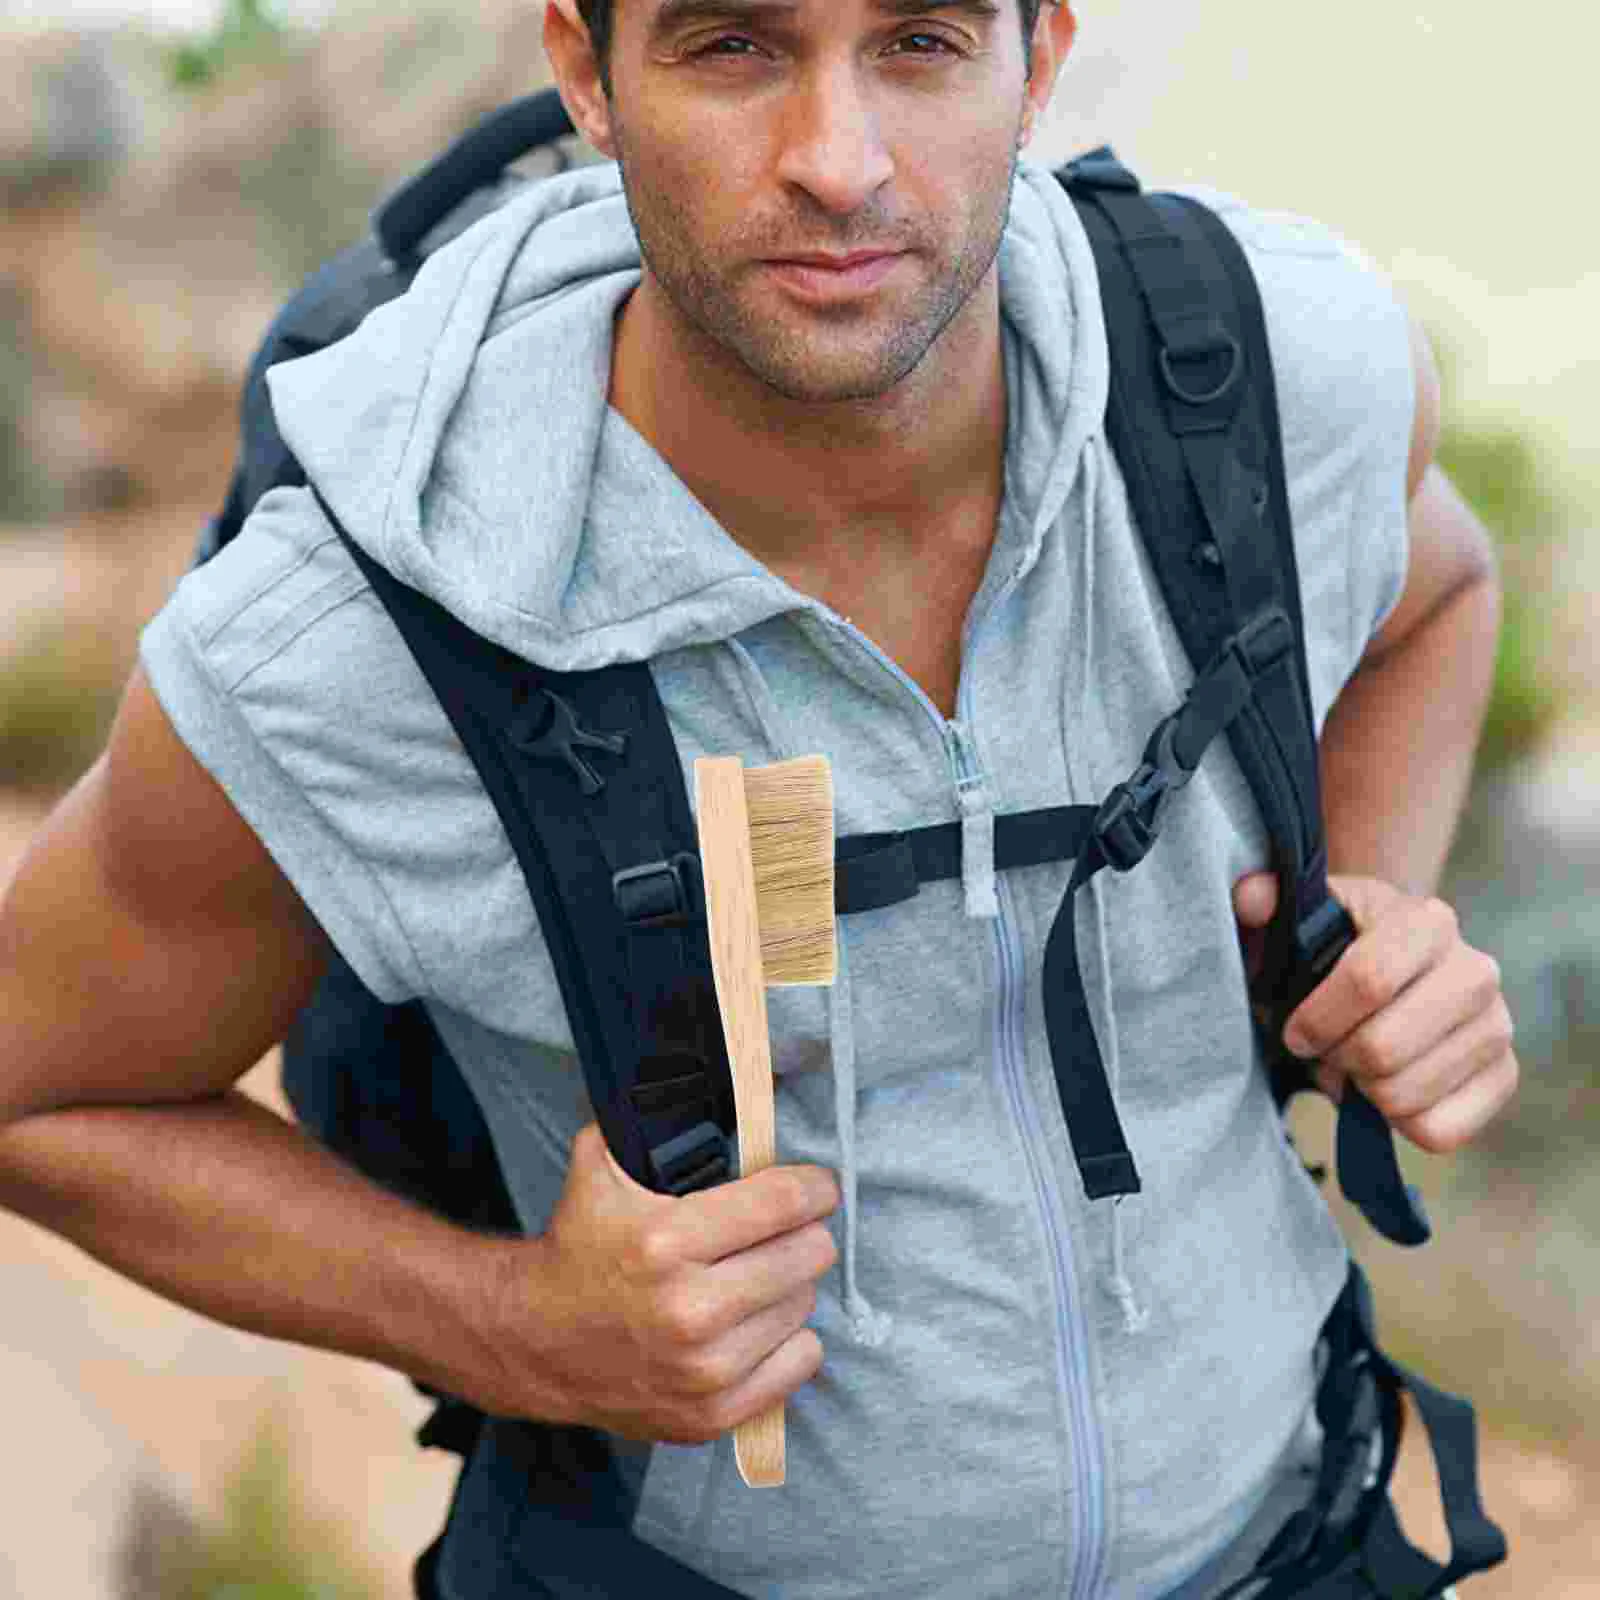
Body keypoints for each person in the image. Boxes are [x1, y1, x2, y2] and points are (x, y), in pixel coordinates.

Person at [0, 1, 1518, 1596]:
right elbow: (40, 1091)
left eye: (921, 41)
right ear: (586, 72)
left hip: (1301, 1536)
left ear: (1041, 57)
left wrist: (1369, 920)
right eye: (733, 45)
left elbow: (1438, 594)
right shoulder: (359, 631)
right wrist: (520, 1330)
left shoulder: (1265, 385)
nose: (837, 164)